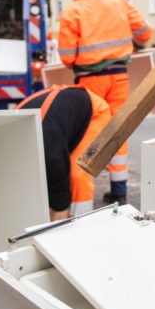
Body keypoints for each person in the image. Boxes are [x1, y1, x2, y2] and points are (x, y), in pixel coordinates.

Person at [58, 0, 152, 204]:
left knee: (89, 133)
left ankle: (83, 193)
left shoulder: (73, 11)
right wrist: (135, 46)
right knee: (117, 130)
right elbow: (144, 32)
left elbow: (67, 57)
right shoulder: (118, 3)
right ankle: (119, 191)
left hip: (90, 82)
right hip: (119, 77)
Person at [17, 84, 111, 220]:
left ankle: (80, 223)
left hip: (95, 113)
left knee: (77, 173)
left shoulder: (52, 157)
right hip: (63, 112)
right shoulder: (11, 136)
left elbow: (60, 205)